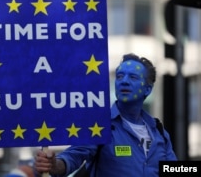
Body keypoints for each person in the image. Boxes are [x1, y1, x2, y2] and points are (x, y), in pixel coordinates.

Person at [34, 53, 177, 177]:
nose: (124, 81)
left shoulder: (158, 131)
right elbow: (72, 157)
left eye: (133, 77)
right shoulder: (100, 125)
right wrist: (53, 164)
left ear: (147, 90)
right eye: (120, 76)